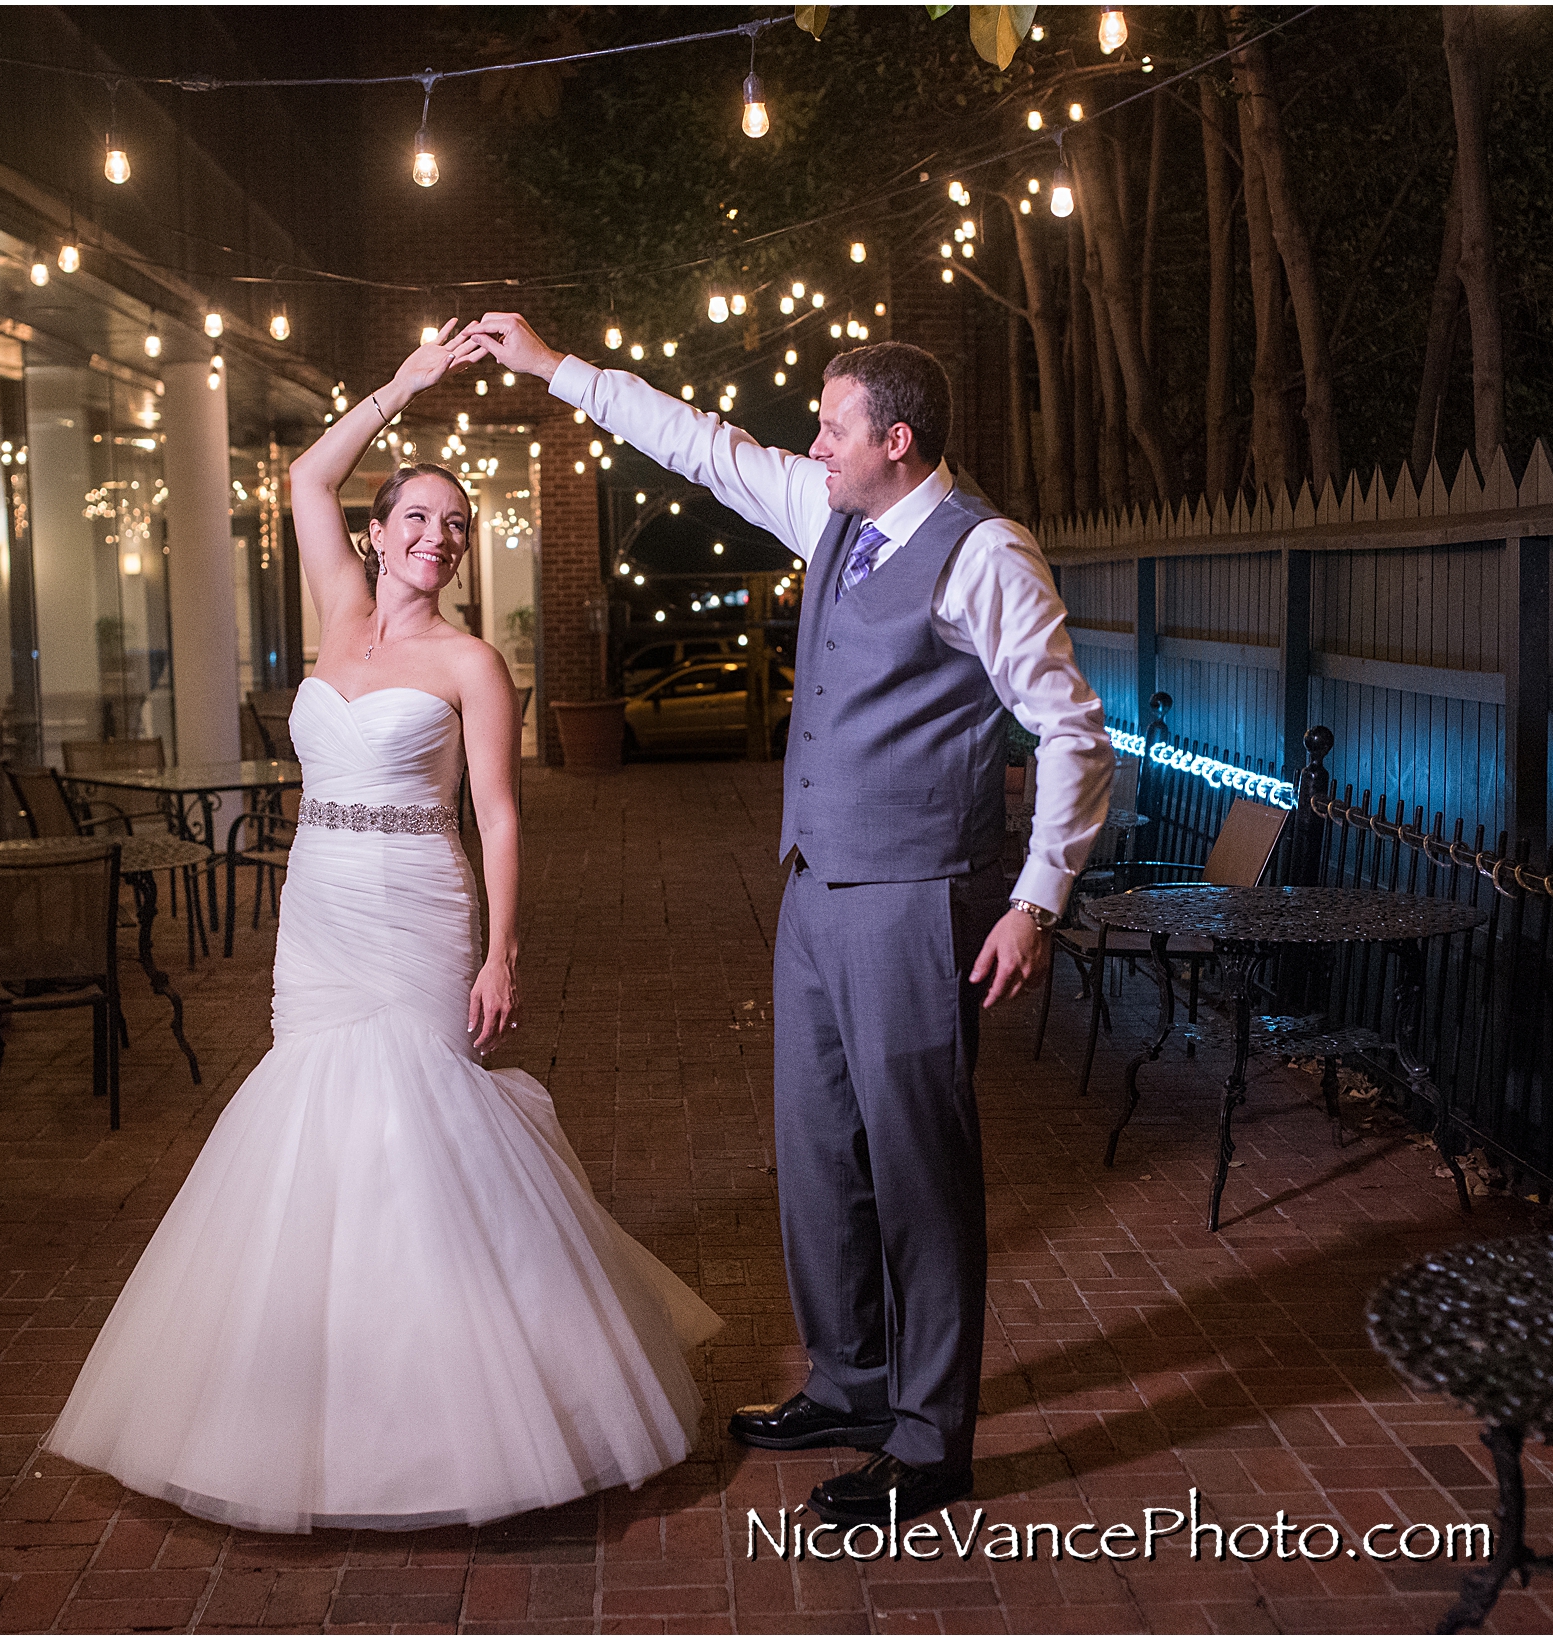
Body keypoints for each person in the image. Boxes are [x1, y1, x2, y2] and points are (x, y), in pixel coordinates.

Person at [42, 324, 720, 1534]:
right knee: (314, 1118)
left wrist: (503, 948)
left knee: (415, 1122)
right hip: (319, 903)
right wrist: (402, 383)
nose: (434, 536)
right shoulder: (339, 612)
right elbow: (303, 475)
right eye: (414, 515)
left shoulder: (472, 662)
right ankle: (326, 1398)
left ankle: (463, 1409)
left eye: (453, 525)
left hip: (415, 902)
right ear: (376, 531)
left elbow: (501, 819)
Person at [461, 313, 1112, 1528]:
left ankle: (929, 1438)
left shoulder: (985, 556)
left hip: (918, 894)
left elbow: (1073, 732)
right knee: (817, 1149)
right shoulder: (834, 516)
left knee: (919, 1163)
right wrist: (556, 369)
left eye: (829, 427)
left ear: (896, 440)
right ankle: (852, 1380)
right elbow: (700, 446)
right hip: (814, 887)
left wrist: (1033, 901)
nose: (810, 446)